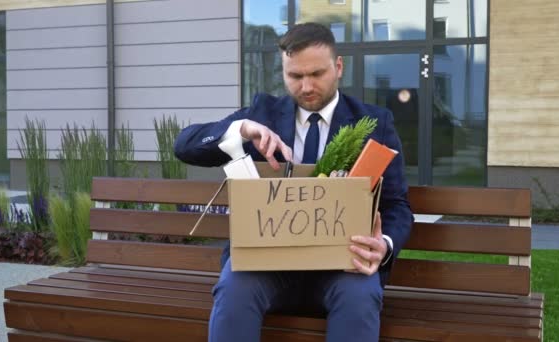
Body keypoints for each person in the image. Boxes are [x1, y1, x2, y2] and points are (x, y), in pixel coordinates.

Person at [174, 22, 413, 342]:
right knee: (233, 289)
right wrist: (242, 129)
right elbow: (184, 146)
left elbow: (397, 205)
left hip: (342, 267)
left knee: (360, 297)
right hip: (265, 266)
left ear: (338, 66)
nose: (306, 86)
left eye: (317, 74)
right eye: (295, 76)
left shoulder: (373, 123)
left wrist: (383, 245)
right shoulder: (263, 114)